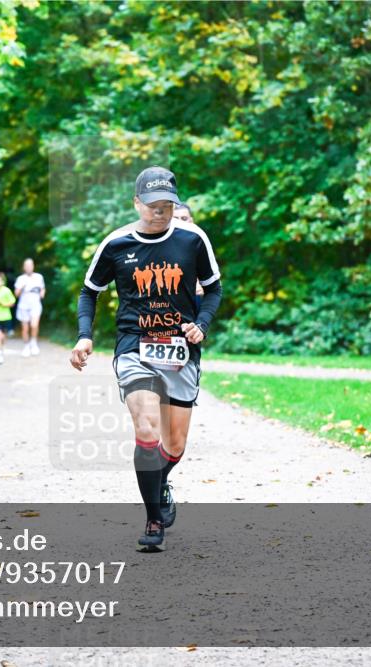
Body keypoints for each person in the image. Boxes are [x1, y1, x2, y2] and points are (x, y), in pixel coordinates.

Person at [70, 166, 222, 552]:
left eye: (168, 205)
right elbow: (90, 292)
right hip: (135, 347)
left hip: (181, 351)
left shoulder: (193, 239)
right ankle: (154, 519)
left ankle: (159, 481)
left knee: (174, 445)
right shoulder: (116, 244)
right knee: (148, 428)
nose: (161, 211)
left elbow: (214, 289)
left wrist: (201, 324)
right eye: (153, 205)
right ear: (137, 203)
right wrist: (85, 336)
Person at [174, 204, 205, 313]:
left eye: (184, 218)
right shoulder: (160, 243)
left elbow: (213, 283)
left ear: (191, 221)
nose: (180, 222)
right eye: (175, 219)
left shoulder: (199, 244)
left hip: (193, 301)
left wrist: (203, 286)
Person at [14, 258, 46, 357]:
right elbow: (16, 294)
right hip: (23, 306)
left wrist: (42, 294)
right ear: (24, 267)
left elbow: (43, 288)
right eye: (26, 266)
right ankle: (26, 346)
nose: (29, 267)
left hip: (35, 304)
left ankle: (34, 343)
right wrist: (21, 287)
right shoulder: (20, 279)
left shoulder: (39, 277)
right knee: (25, 328)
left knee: (34, 325)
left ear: (33, 266)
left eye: (30, 265)